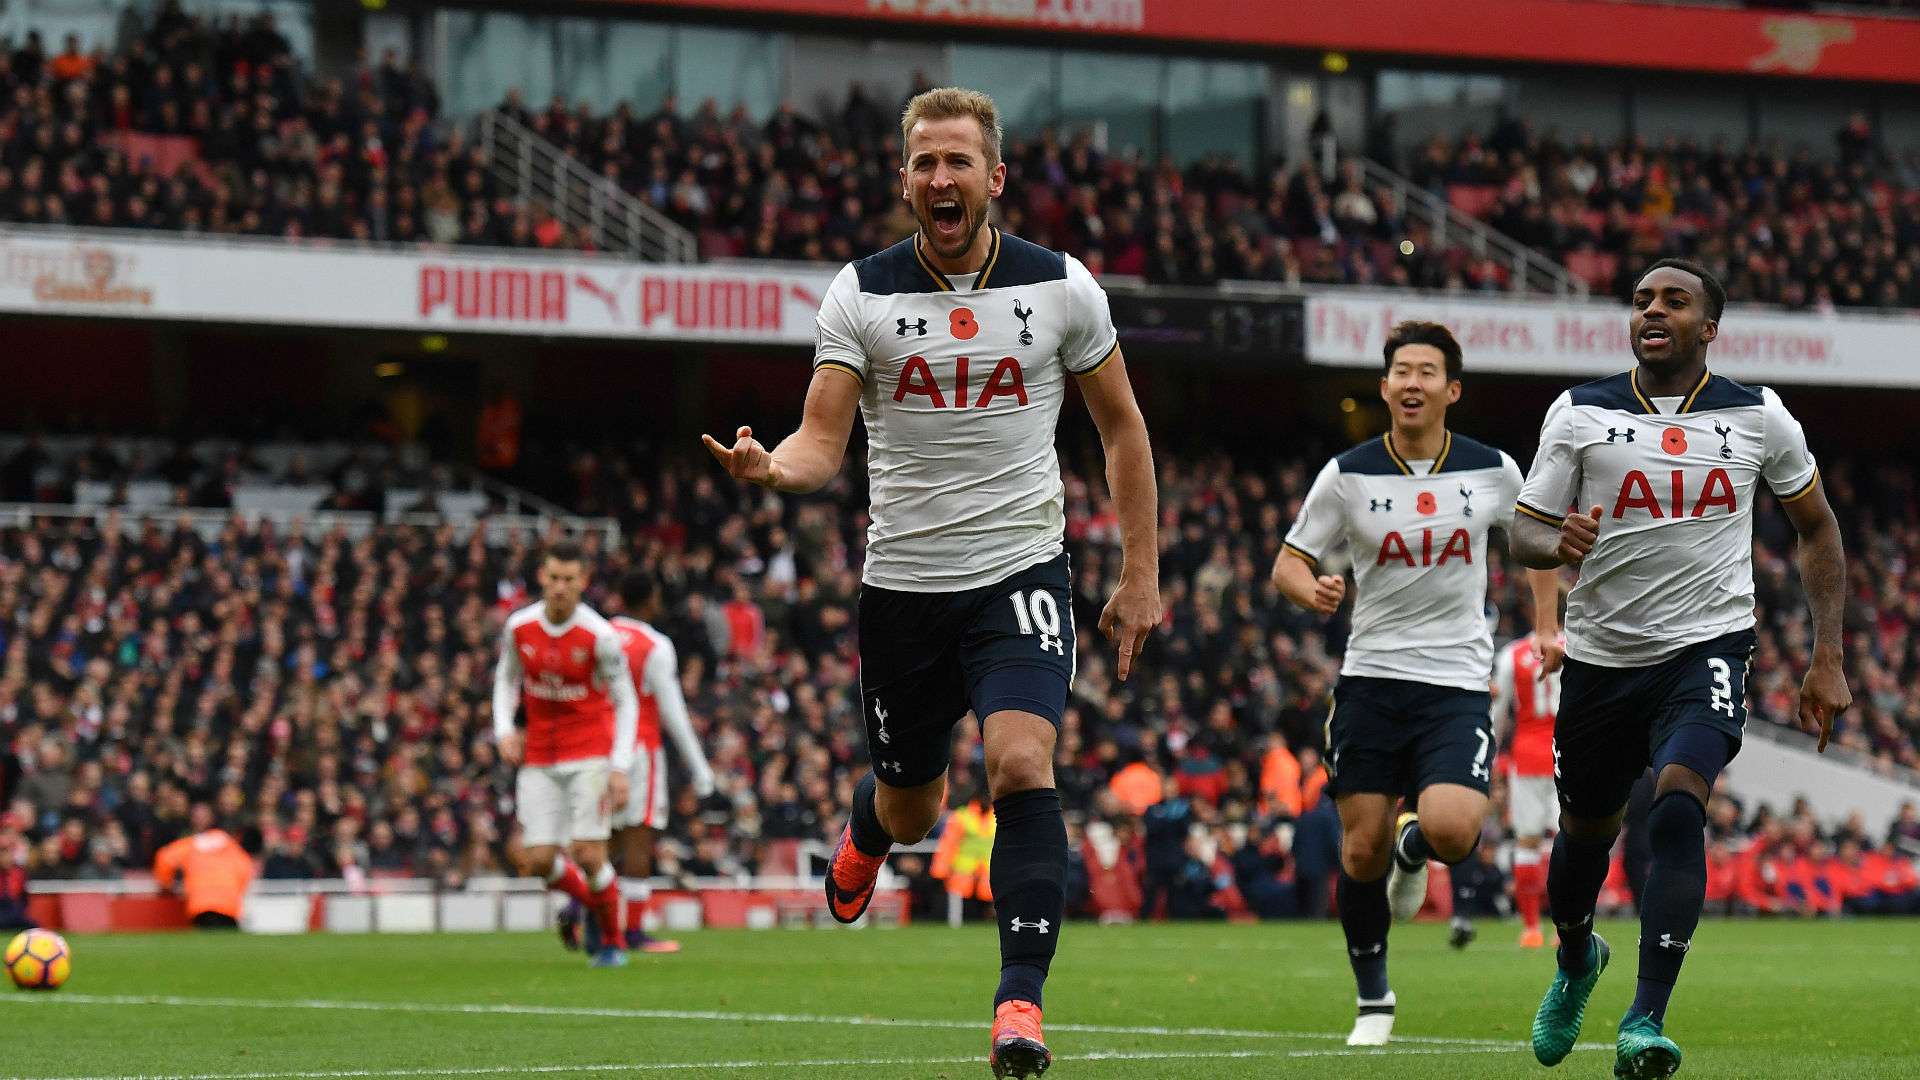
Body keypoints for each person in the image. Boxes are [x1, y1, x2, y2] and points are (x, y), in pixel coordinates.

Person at [703, 85, 1160, 1079]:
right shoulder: (861, 294)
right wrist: (772, 468)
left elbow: (1121, 427)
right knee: (914, 806)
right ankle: (869, 830)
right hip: (904, 588)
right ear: (905, 179)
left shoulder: (1062, 288)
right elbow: (821, 442)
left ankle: (1019, 1004)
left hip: (1020, 571)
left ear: (994, 178)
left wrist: (1141, 573)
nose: (940, 179)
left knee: (1022, 767)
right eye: (924, 163)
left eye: (958, 162)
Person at [1511, 258, 1850, 1078]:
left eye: (1673, 300)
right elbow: (1523, 532)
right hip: (1600, 659)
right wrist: (1553, 543)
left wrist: (1827, 656)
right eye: (1640, 301)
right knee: (1584, 838)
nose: (1651, 311)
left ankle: (1644, 1019)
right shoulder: (1579, 412)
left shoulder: (1760, 415)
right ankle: (1573, 958)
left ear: (1710, 328)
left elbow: (1817, 528)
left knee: (1674, 811)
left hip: (1707, 648)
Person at [1272, 320, 1555, 1046]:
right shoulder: (1348, 474)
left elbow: (1536, 547)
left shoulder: (1493, 470)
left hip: (1456, 684)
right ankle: (1373, 999)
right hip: (1370, 682)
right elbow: (1288, 562)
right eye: (1401, 370)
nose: (1412, 383)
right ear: (1385, 384)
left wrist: (1549, 626)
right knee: (1357, 853)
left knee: (1455, 832)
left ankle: (1416, 848)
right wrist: (1314, 593)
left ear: (1451, 390)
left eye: (1428, 372)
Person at [493, 541, 639, 968]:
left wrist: (619, 767)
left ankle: (613, 941)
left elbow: (625, 701)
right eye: (553, 578)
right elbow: (506, 680)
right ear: (542, 577)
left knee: (589, 854)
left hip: (589, 755)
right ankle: (598, 905)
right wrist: (504, 730)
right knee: (537, 860)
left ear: (583, 583)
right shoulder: (519, 627)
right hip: (538, 756)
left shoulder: (600, 636)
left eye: (569, 580)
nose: (559, 587)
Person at [602, 570, 716, 955]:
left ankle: (582, 910)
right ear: (651, 601)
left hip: (597, 748)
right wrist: (700, 768)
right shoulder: (654, 645)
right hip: (639, 750)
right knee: (638, 836)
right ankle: (632, 932)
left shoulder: (598, 634)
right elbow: (673, 713)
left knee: (604, 838)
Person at [1491, 581, 1565, 949]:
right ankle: (1564, 928)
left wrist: (1488, 759)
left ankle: (1531, 928)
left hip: (1527, 756)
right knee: (1567, 840)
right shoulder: (1579, 650)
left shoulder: (1513, 654)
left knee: (1527, 842)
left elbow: (1497, 715)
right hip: (1568, 755)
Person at [152, 804, 254, 930]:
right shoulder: (227, 842)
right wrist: (235, 890)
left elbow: (164, 858)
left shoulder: (190, 844)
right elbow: (246, 867)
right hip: (228, 901)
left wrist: (168, 885)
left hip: (201, 902)